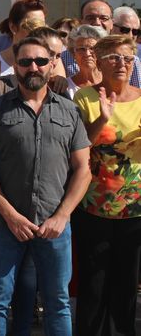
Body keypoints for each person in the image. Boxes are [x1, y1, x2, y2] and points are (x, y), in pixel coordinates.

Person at [0, 36, 91, 335]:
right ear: (15, 67)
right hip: (4, 225)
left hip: (55, 225)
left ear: (53, 65)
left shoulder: (69, 111)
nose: (33, 67)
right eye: (25, 62)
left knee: (57, 303)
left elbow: (83, 170)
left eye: (40, 61)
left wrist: (62, 216)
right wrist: (11, 216)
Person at [72, 35, 141, 335]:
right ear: (98, 62)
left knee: (126, 286)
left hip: (135, 208)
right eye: (113, 57)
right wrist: (103, 118)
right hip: (94, 205)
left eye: (127, 58)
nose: (121, 63)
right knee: (94, 284)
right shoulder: (85, 97)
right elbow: (79, 145)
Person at [64, 25, 107, 98]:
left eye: (92, 48)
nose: (87, 54)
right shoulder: (66, 88)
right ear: (73, 54)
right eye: (81, 49)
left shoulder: (110, 82)